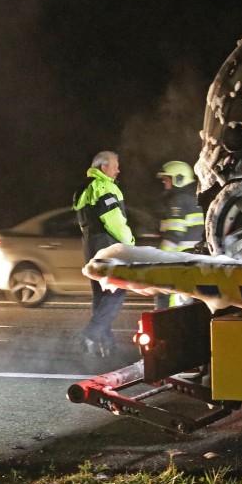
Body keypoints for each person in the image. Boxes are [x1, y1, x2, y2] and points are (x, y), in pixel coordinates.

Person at [73, 150, 135, 357]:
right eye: (115, 165)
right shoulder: (104, 187)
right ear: (104, 167)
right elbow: (114, 221)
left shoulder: (85, 189)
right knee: (117, 291)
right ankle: (91, 334)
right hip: (107, 244)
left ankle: (105, 345)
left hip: (90, 244)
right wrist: (130, 243)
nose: (119, 169)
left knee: (101, 296)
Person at [154, 161, 205, 309]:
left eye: (167, 179)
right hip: (193, 259)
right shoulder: (194, 197)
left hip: (178, 260)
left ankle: (165, 328)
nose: (164, 183)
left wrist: (158, 258)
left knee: (169, 302)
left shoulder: (178, 200)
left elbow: (174, 234)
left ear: (179, 179)